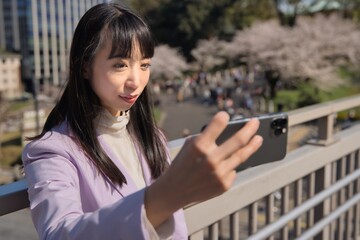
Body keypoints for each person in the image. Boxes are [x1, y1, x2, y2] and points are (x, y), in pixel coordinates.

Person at [22, 2, 263, 240]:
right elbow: (59, 233)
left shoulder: (152, 137)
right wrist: (165, 196)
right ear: (85, 66)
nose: (136, 81)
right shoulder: (52, 150)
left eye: (145, 64)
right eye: (120, 65)